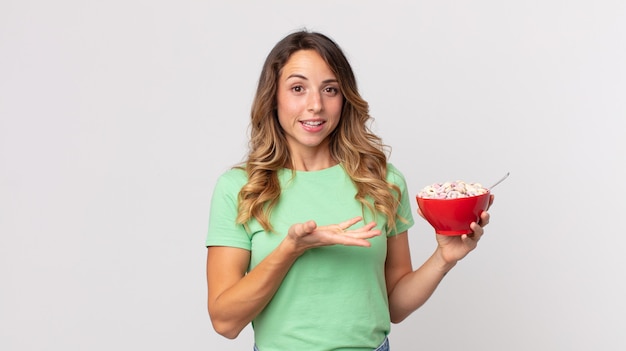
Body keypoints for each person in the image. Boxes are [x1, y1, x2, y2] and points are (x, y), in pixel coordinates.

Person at [205, 30, 494, 351]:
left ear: (345, 98)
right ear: (273, 97)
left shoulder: (383, 182)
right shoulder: (241, 189)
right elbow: (225, 322)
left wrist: (444, 258)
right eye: (298, 88)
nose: (315, 105)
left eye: (330, 89)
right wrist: (291, 249)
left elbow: (395, 305)